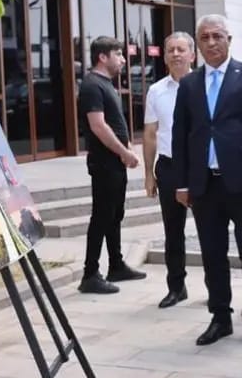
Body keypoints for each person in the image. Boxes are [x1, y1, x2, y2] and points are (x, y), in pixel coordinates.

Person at [172, 14, 242, 348]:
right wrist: (182, 182)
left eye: (217, 36)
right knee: (212, 255)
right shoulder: (189, 84)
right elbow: (181, 135)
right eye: (204, 37)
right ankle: (220, 317)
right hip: (204, 185)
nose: (211, 43)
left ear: (228, 38)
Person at [75, 36, 146, 294]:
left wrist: (127, 149)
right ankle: (90, 273)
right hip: (105, 164)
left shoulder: (105, 84)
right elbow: (98, 125)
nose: (124, 60)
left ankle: (116, 264)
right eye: (119, 54)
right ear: (102, 57)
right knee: (102, 217)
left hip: (115, 164)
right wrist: (124, 152)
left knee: (115, 215)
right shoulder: (92, 85)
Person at [143, 31, 195, 309]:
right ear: (164, 57)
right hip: (170, 165)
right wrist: (149, 173)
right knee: (172, 231)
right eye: (171, 50)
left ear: (192, 55)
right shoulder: (156, 91)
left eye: (181, 49)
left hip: (199, 167)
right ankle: (176, 286)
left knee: (211, 231)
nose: (176, 54)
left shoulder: (202, 86)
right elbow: (150, 133)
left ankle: (217, 288)